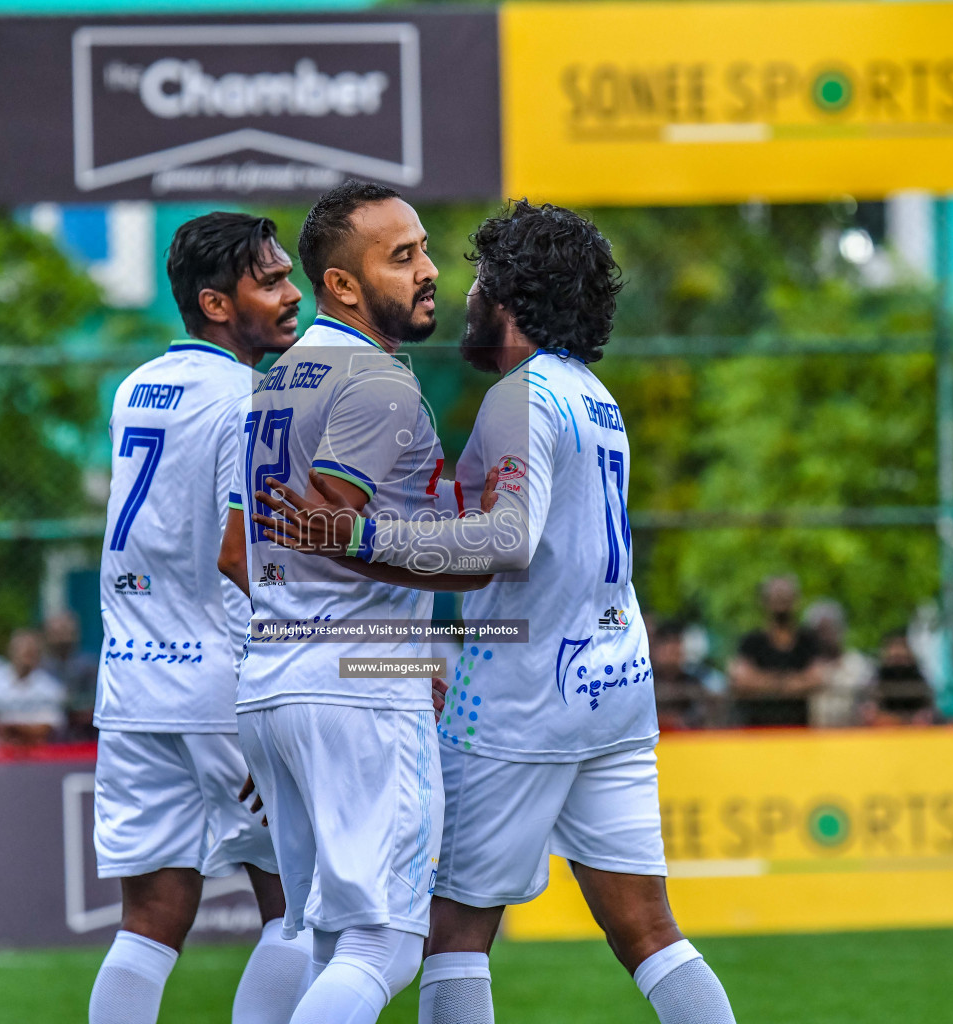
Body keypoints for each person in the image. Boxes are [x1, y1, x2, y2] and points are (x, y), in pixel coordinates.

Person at [255, 201, 737, 1024]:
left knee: (448, 935)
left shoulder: (523, 397)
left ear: (509, 298)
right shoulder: (595, 397)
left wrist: (360, 530)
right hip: (615, 684)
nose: (459, 294)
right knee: (649, 930)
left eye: (477, 282)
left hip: (522, 699)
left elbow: (507, 543)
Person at [224, 180, 487, 1024]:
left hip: (274, 680)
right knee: (382, 946)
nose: (429, 270)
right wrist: (477, 561)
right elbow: (341, 527)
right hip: (352, 692)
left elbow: (240, 551)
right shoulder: (376, 382)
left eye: (424, 250)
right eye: (402, 256)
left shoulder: (273, 379)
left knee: (329, 942)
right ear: (342, 284)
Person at [88, 212, 312, 1024]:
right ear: (217, 304)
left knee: (148, 924)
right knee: (302, 906)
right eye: (273, 281)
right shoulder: (254, 399)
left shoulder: (134, 388)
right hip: (225, 691)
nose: (295, 295)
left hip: (134, 686)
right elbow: (239, 557)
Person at [727, 576, 823, 726]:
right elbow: (741, 680)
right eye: (776, 597)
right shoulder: (751, 641)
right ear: (763, 601)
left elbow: (816, 679)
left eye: (785, 597)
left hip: (798, 731)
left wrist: (764, 683)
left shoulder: (808, 641)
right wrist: (790, 683)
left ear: (796, 601)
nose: (781, 603)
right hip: (756, 730)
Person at [0, 629, 66, 747]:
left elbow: (48, 727)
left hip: (37, 754)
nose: (27, 651)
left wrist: (16, 730)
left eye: (32, 649)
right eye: (22, 647)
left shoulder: (51, 687)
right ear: (10, 650)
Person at [804, 600, 876, 728]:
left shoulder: (859, 664)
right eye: (820, 631)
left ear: (842, 629)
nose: (825, 636)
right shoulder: (805, 667)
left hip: (852, 736)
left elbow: (872, 704)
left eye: (829, 629)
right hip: (812, 739)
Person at [651, 619, 724, 730]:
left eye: (677, 642)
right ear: (655, 648)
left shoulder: (694, 682)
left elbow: (703, 716)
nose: (673, 649)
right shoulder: (646, 681)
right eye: (667, 643)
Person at [43, 611, 99, 740]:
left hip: (84, 735)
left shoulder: (90, 665)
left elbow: (94, 701)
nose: (62, 636)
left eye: (66, 630)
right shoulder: (40, 667)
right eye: (57, 632)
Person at [870, 631, 937, 725]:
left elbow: (928, 712)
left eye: (902, 648)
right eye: (894, 656)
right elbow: (871, 712)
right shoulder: (877, 679)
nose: (898, 651)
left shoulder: (919, 679)